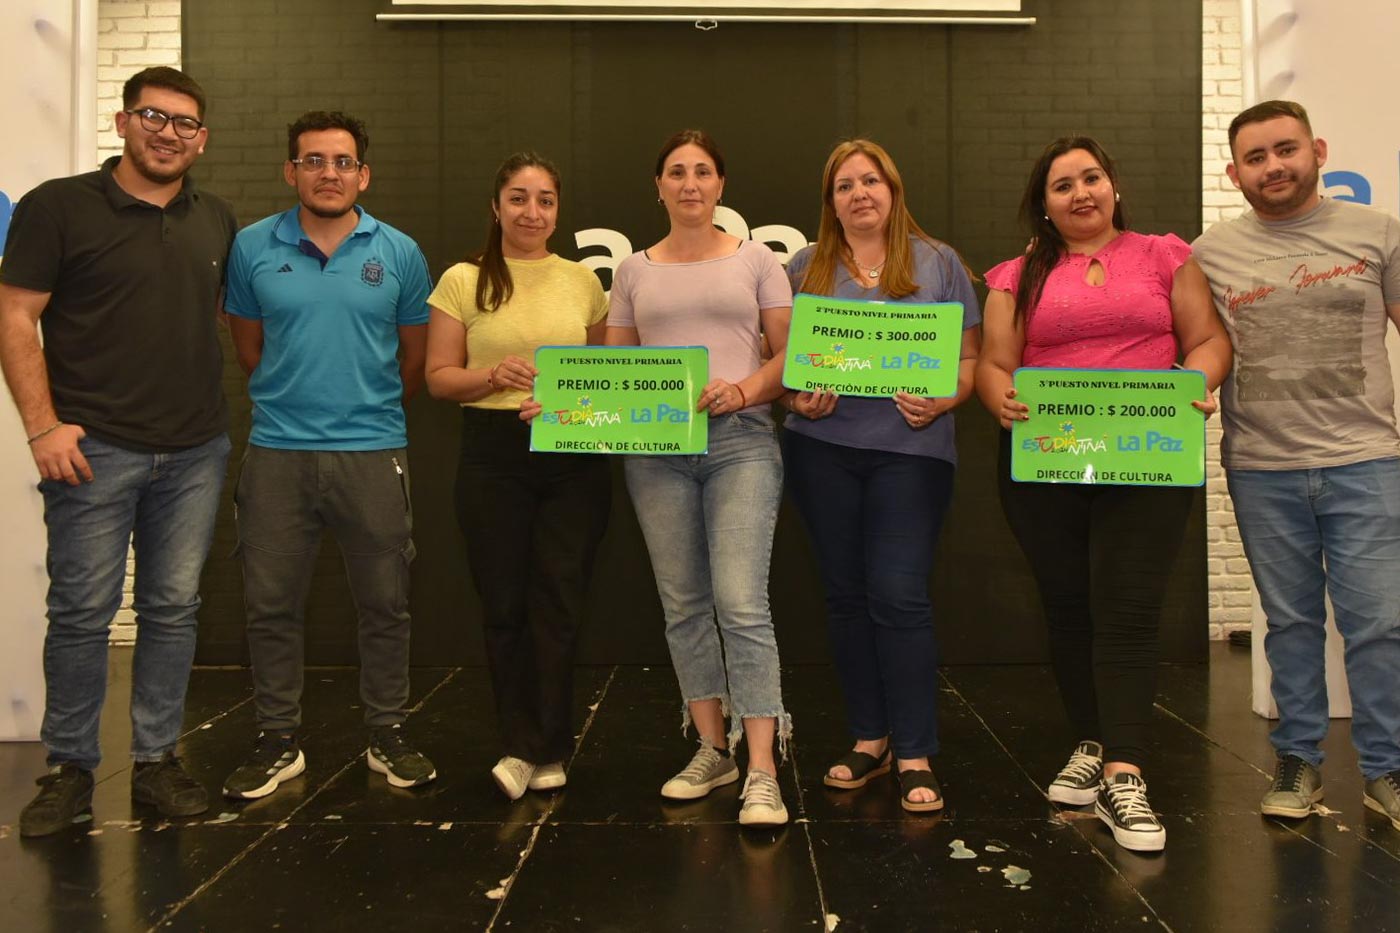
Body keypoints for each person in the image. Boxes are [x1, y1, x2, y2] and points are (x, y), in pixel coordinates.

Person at [975, 136, 1231, 852]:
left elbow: (1208, 340)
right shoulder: (1016, 275)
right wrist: (1001, 399)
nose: (1080, 193)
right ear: (1044, 204)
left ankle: (1124, 772)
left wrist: (1198, 382)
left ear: (1113, 186)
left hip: (1147, 456)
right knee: (1069, 606)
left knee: (1127, 608)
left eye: (1091, 178)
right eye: (1062, 185)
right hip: (1046, 462)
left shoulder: (1165, 256)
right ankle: (1092, 740)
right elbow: (996, 363)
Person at [0, 67, 237, 837]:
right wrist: (43, 426)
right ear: (123, 121)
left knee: (172, 610)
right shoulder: (57, 207)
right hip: (92, 448)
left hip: (196, 451)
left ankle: (156, 762)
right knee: (81, 614)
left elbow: (214, 318)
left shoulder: (216, 217)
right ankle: (70, 769)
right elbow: (15, 315)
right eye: (154, 117)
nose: (168, 133)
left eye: (184, 123)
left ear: (202, 139)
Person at [1193, 101, 1400, 833]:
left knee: (1380, 623)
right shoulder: (1209, 252)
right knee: (1290, 623)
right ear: (1235, 173)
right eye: (1255, 157)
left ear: (1318, 150)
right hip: (1261, 466)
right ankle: (1298, 760)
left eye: (1285, 149)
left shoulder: (1377, 231)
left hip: (1366, 460)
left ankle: (1386, 769)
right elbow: (1198, 345)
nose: (1273, 166)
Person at [221, 111, 436, 799]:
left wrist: (363, 411)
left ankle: (387, 732)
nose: (328, 173)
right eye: (313, 160)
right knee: (271, 606)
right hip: (277, 453)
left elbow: (413, 360)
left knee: (385, 605)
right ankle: (278, 739)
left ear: (363, 175)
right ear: (291, 171)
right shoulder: (252, 246)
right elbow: (249, 350)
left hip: (372, 452)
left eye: (342, 161)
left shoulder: (399, 251)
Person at [781, 139, 981, 813]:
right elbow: (780, 362)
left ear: (893, 190)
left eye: (870, 180)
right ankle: (871, 739)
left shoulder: (939, 261)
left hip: (911, 452)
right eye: (844, 185)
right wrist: (796, 399)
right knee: (845, 596)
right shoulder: (803, 266)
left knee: (899, 594)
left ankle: (916, 749)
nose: (859, 193)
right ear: (830, 201)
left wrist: (945, 399)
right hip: (821, 450)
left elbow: (969, 361)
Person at [606, 129, 794, 827]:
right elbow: (615, 372)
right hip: (656, 450)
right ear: (658, 186)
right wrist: (561, 407)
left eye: (703, 171)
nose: (690, 183)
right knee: (683, 604)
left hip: (742, 442)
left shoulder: (757, 259)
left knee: (740, 602)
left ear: (721, 185)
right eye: (677, 172)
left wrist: (742, 391)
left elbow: (789, 355)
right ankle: (713, 750)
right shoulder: (632, 270)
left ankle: (762, 766)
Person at [424, 152, 611, 800]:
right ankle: (520, 742)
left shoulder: (584, 282)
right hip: (492, 454)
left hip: (573, 457)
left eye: (545, 200)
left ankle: (546, 746)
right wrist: (491, 375)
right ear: (496, 206)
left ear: (558, 211)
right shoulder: (462, 279)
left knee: (557, 602)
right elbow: (438, 377)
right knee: (503, 604)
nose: (533, 212)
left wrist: (569, 406)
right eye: (519, 198)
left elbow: (603, 379)